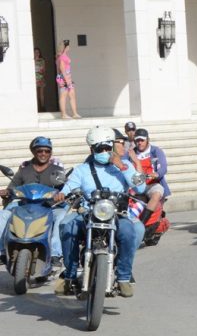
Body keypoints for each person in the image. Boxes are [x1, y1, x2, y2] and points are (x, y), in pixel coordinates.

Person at [58, 127, 145, 297]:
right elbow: (68, 187)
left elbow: (141, 186)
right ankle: (70, 275)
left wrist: (122, 166)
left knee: (129, 232)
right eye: (100, 149)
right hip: (87, 212)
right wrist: (60, 193)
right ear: (92, 150)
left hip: (117, 214)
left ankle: (124, 278)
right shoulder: (82, 169)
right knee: (66, 226)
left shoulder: (124, 165)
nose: (105, 152)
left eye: (107, 148)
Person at [0, 137, 67, 262]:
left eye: (47, 151)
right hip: (24, 206)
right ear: (33, 151)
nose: (43, 154)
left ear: (50, 153)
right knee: (3, 215)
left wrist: (62, 194)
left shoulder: (57, 170)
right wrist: (6, 192)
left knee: (62, 216)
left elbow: (64, 189)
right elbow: (12, 187)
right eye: (40, 151)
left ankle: (55, 253)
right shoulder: (24, 169)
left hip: (49, 207)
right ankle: (2, 252)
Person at [131, 129, 170, 217]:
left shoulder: (156, 151)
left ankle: (144, 220)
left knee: (157, 193)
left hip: (152, 184)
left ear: (147, 140)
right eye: (137, 140)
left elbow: (163, 167)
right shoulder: (131, 153)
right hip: (136, 185)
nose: (139, 143)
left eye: (142, 140)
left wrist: (156, 174)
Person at [55, 40, 81, 119]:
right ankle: (63, 114)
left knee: (72, 95)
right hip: (64, 79)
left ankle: (75, 113)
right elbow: (62, 69)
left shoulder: (63, 56)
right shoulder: (62, 57)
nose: (69, 47)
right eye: (68, 46)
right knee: (63, 96)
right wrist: (67, 81)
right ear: (66, 47)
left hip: (68, 78)